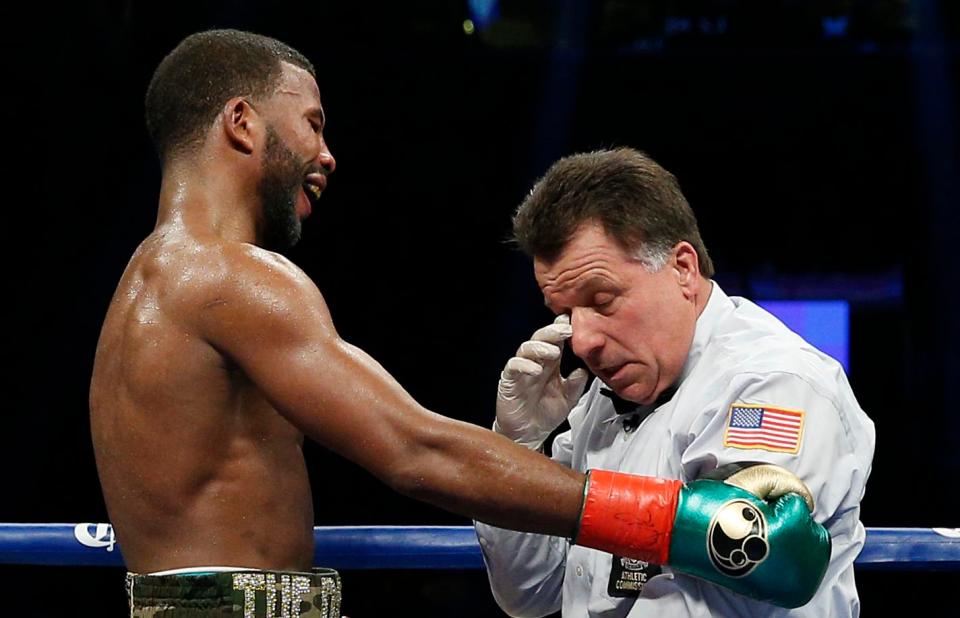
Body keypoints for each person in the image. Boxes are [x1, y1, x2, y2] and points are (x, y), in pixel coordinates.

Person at [89, 31, 826, 618]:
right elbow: (413, 448)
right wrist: (673, 520)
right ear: (242, 122)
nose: (326, 152)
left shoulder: (146, 281)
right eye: (312, 122)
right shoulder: (227, 278)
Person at [476, 148, 876, 616]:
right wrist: (517, 449)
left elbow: (739, 575)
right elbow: (529, 593)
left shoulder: (772, 385)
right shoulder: (604, 403)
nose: (581, 342)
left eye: (602, 300)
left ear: (682, 269)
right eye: (564, 314)